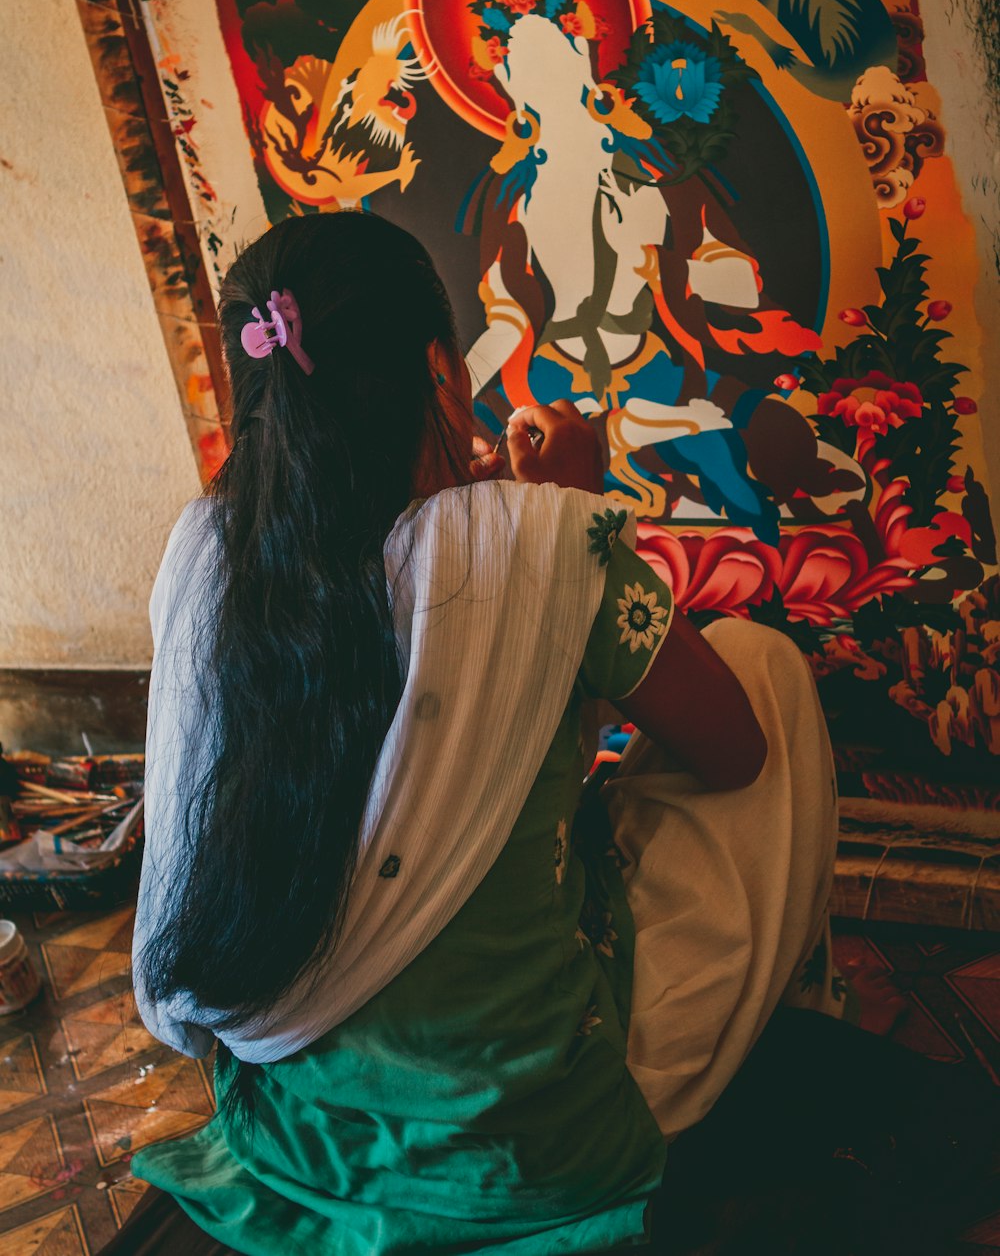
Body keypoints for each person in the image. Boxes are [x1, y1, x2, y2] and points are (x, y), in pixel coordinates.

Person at [106, 211, 873, 1255]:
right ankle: (786, 1044)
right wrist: (574, 519)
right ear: (439, 369)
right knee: (765, 672)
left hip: (294, 1142)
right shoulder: (539, 540)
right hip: (531, 1149)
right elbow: (733, 750)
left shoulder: (210, 558)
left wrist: (510, 527)